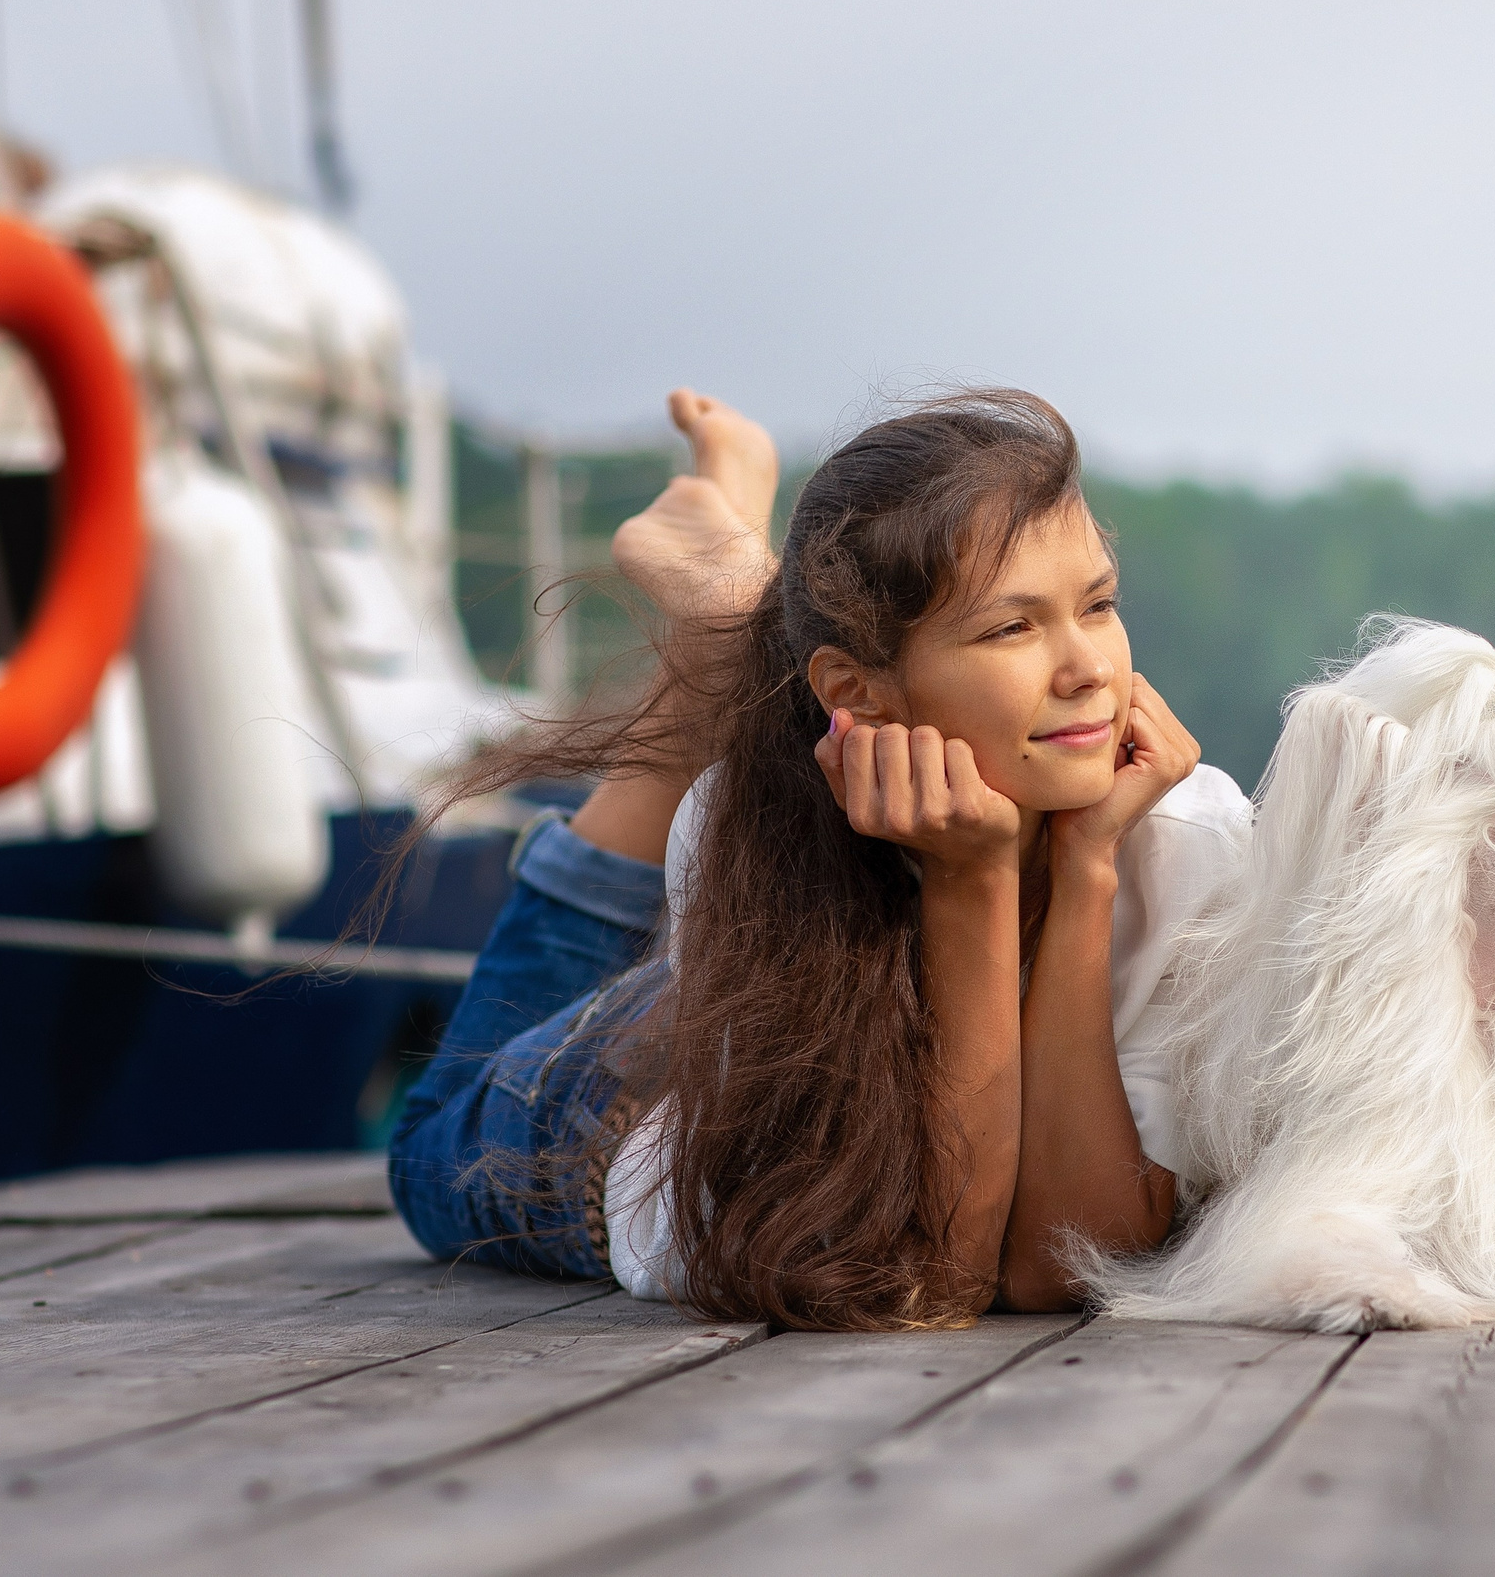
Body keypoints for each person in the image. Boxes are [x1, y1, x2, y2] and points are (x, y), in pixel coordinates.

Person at [388, 388, 1249, 1330]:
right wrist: (974, 879)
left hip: (735, 983)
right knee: (430, 1139)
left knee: (755, 761)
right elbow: (933, 1274)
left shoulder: (1185, 836)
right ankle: (730, 626)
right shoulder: (745, 833)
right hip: (614, 1119)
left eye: (1098, 604)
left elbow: (1062, 1267)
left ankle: (735, 614)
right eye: (1013, 626)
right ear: (859, 694)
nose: (1089, 666)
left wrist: (1086, 871)